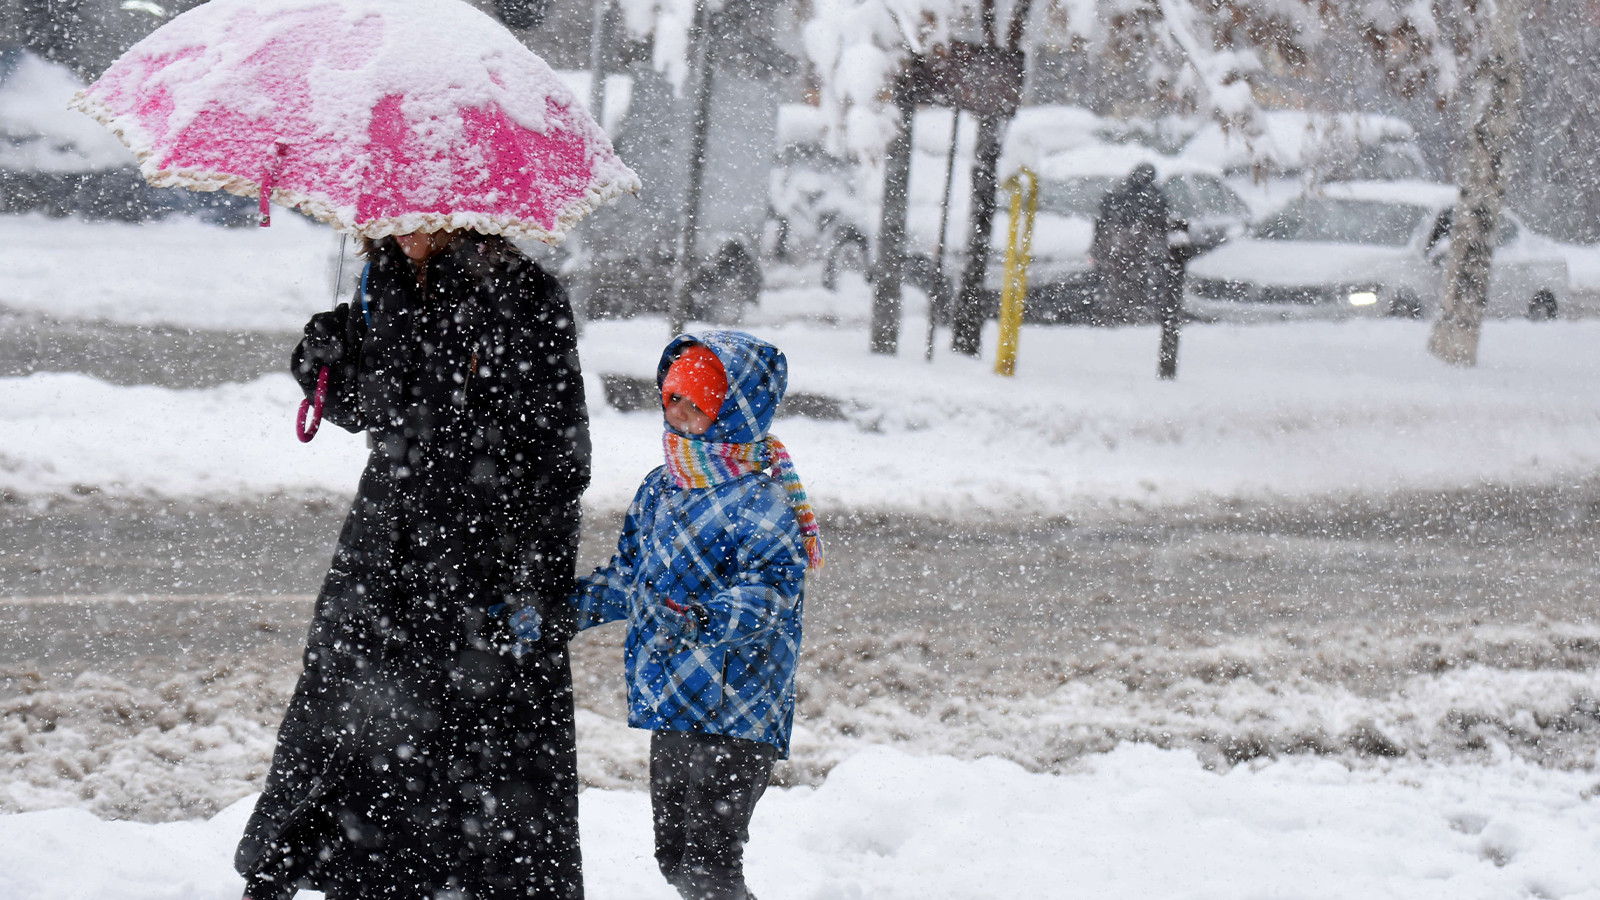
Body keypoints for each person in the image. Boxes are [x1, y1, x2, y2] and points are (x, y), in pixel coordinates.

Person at [235, 228, 591, 900]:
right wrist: (323, 366)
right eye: (395, 212)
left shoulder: (525, 293)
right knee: (360, 729)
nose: (408, 226)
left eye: (427, 212)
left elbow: (560, 454)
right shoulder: (383, 284)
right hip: (386, 549)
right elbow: (377, 409)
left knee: (475, 764)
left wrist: (531, 576)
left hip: (484, 557)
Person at [562, 331, 820, 900]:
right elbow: (630, 575)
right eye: (672, 396)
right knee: (676, 859)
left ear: (734, 413)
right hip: (674, 697)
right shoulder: (661, 487)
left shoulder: (763, 499)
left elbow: (771, 590)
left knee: (711, 866)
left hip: (739, 706)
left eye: (696, 404)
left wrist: (707, 618)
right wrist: (563, 613)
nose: (678, 412)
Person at [1090, 162, 1174, 324]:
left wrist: (1101, 242)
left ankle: (1114, 310)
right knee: (1135, 278)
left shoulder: (1119, 192)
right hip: (1135, 245)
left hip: (1117, 245)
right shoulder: (1153, 195)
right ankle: (1129, 309)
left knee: (1116, 278)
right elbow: (1161, 222)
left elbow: (1102, 219)